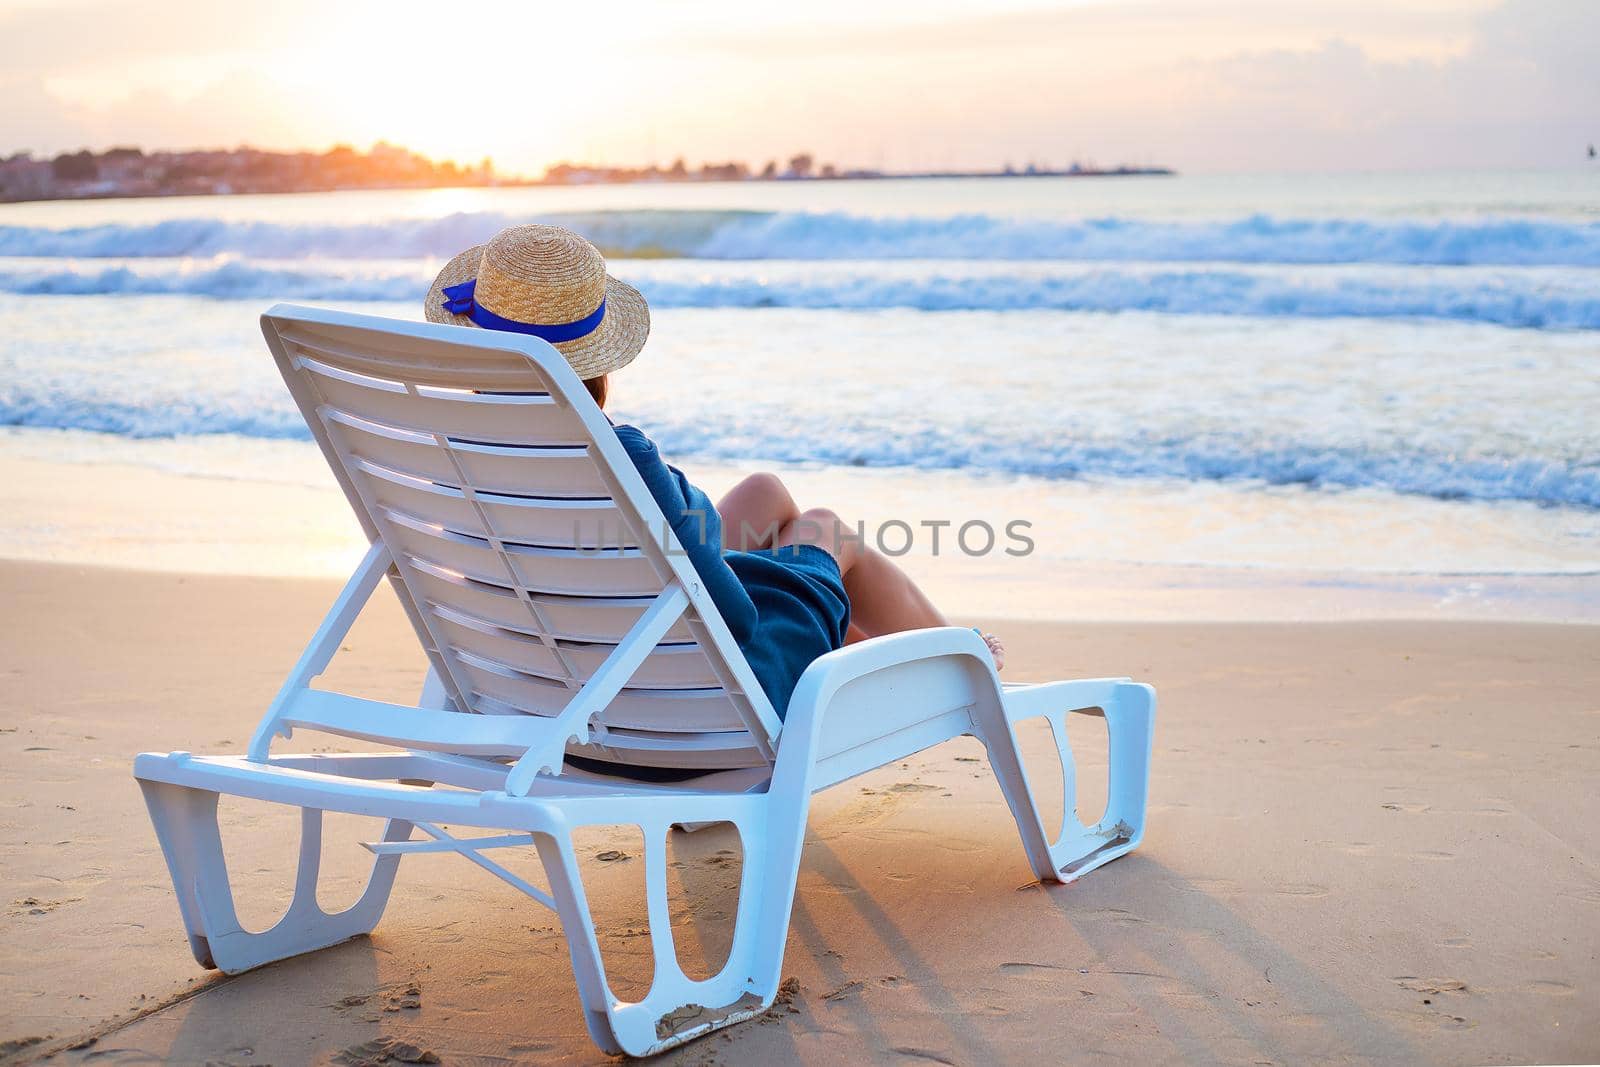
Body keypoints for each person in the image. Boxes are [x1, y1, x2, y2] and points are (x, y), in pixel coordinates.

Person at [425, 224, 1003, 719]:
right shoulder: (621, 459)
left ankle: (906, 655)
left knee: (765, 492)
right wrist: (736, 558)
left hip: (552, 692)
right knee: (824, 529)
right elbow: (734, 616)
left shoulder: (457, 456)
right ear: (599, 364)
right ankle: (958, 665)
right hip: (695, 708)